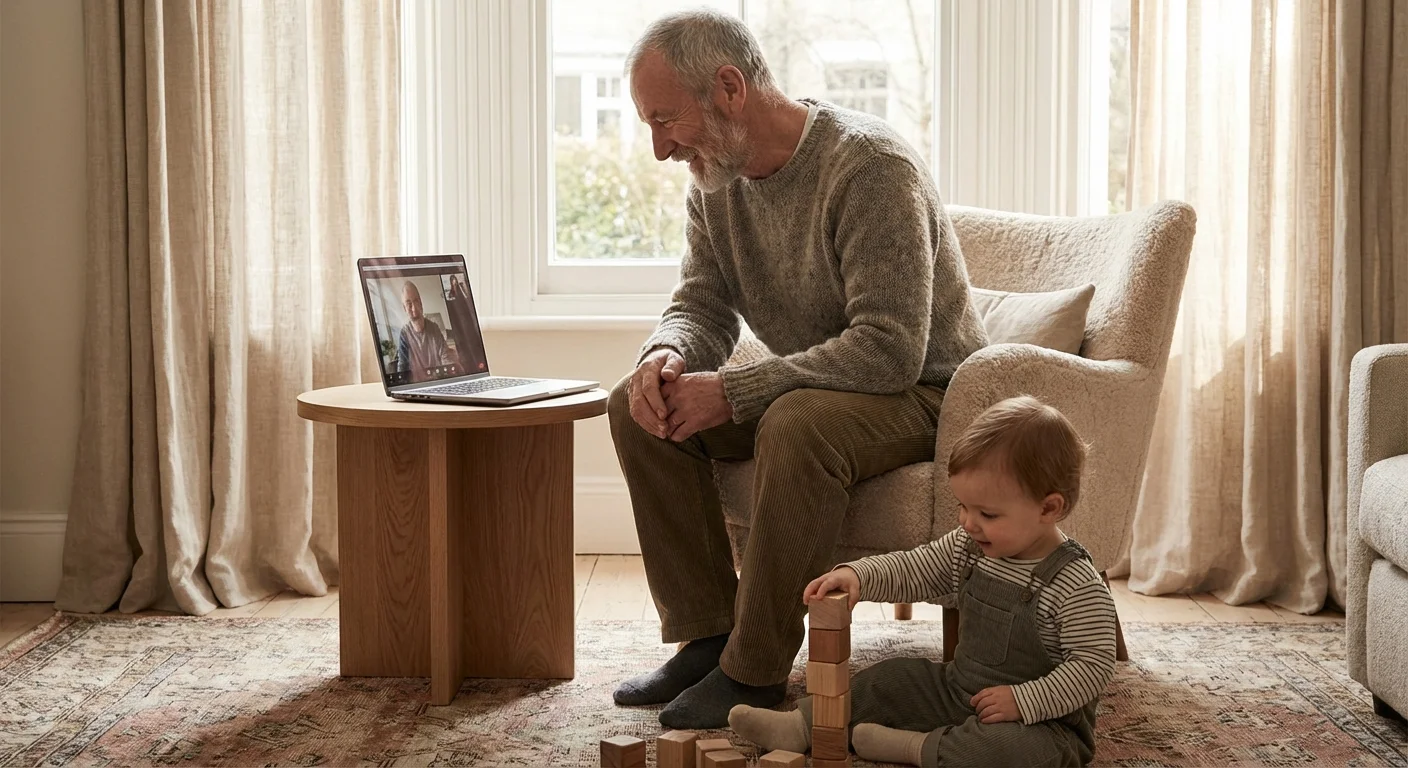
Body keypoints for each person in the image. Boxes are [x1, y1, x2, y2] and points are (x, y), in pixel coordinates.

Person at [606, 8, 989, 729]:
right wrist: (668, 356)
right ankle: (710, 633)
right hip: (827, 383)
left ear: (727, 88)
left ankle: (752, 671)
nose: (659, 149)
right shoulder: (715, 182)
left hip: (927, 392)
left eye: (665, 120)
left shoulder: (870, 168)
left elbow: (888, 348)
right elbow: (701, 303)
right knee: (634, 404)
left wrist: (737, 390)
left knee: (795, 421)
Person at [728, 397, 1118, 767]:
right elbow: (916, 567)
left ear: (1049, 508)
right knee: (891, 678)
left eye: (987, 513)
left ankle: (915, 748)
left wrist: (1023, 700)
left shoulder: (1075, 585)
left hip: (1041, 722)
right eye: (962, 507)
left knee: (1011, 755)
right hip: (958, 690)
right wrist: (859, 575)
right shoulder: (970, 546)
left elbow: (1091, 668)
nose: (968, 522)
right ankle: (801, 725)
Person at [395, 281, 454, 382]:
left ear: (421, 303)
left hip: (439, 381)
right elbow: (402, 369)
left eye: (416, 301)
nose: (414, 308)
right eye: (409, 304)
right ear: (404, 308)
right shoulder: (404, 334)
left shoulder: (434, 328)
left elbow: (446, 357)